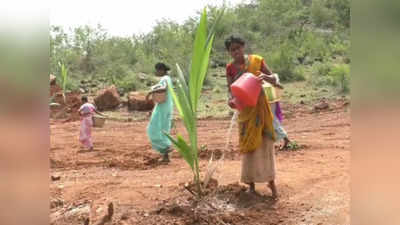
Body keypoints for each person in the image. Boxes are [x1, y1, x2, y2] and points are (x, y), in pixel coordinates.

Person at [225, 35, 281, 198]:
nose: (236, 52)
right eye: (232, 50)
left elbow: (275, 80)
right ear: (229, 52)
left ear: (243, 46)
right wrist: (231, 100)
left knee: (265, 145)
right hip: (245, 112)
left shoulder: (257, 61)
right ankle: (251, 185)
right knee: (249, 147)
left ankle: (271, 183)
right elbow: (230, 89)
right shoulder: (230, 68)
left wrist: (267, 78)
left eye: (238, 48)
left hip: (261, 108)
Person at [146, 63, 174, 163]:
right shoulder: (168, 78)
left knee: (153, 129)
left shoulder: (165, 79)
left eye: (157, 70)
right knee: (163, 130)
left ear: (161, 70)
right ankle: (165, 156)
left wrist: (150, 92)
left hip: (162, 107)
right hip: (167, 106)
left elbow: (163, 88)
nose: (156, 72)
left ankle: (165, 147)